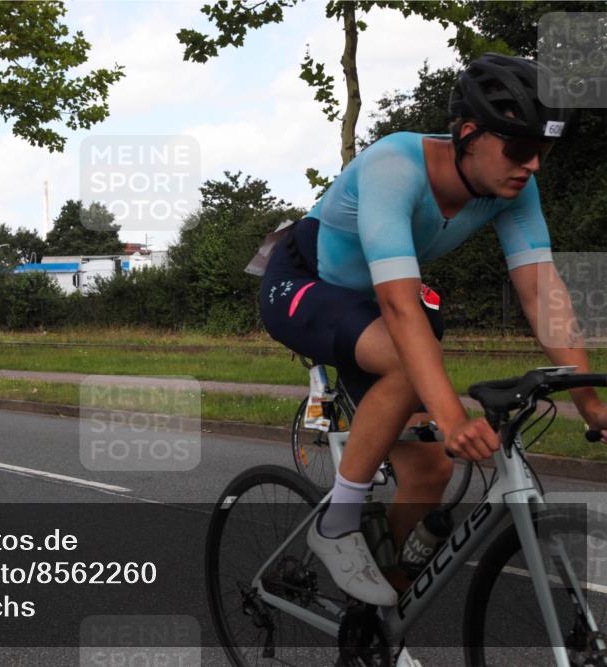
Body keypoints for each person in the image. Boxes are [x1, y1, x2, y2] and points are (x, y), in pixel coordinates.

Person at [258, 53, 607, 606]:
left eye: (542, 150)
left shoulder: (510, 189)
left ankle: (379, 609)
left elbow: (542, 291)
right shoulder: (395, 165)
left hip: (372, 305)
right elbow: (400, 308)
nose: (533, 165)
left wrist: (590, 401)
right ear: (469, 134)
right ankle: (336, 525)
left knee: (430, 469)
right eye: (519, 148)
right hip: (306, 286)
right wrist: (452, 417)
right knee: (406, 360)